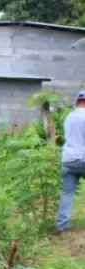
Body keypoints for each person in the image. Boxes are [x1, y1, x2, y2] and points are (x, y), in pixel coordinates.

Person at [56, 91, 85, 234]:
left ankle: (62, 225)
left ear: (77, 102)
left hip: (67, 159)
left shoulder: (69, 117)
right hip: (82, 158)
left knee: (67, 192)